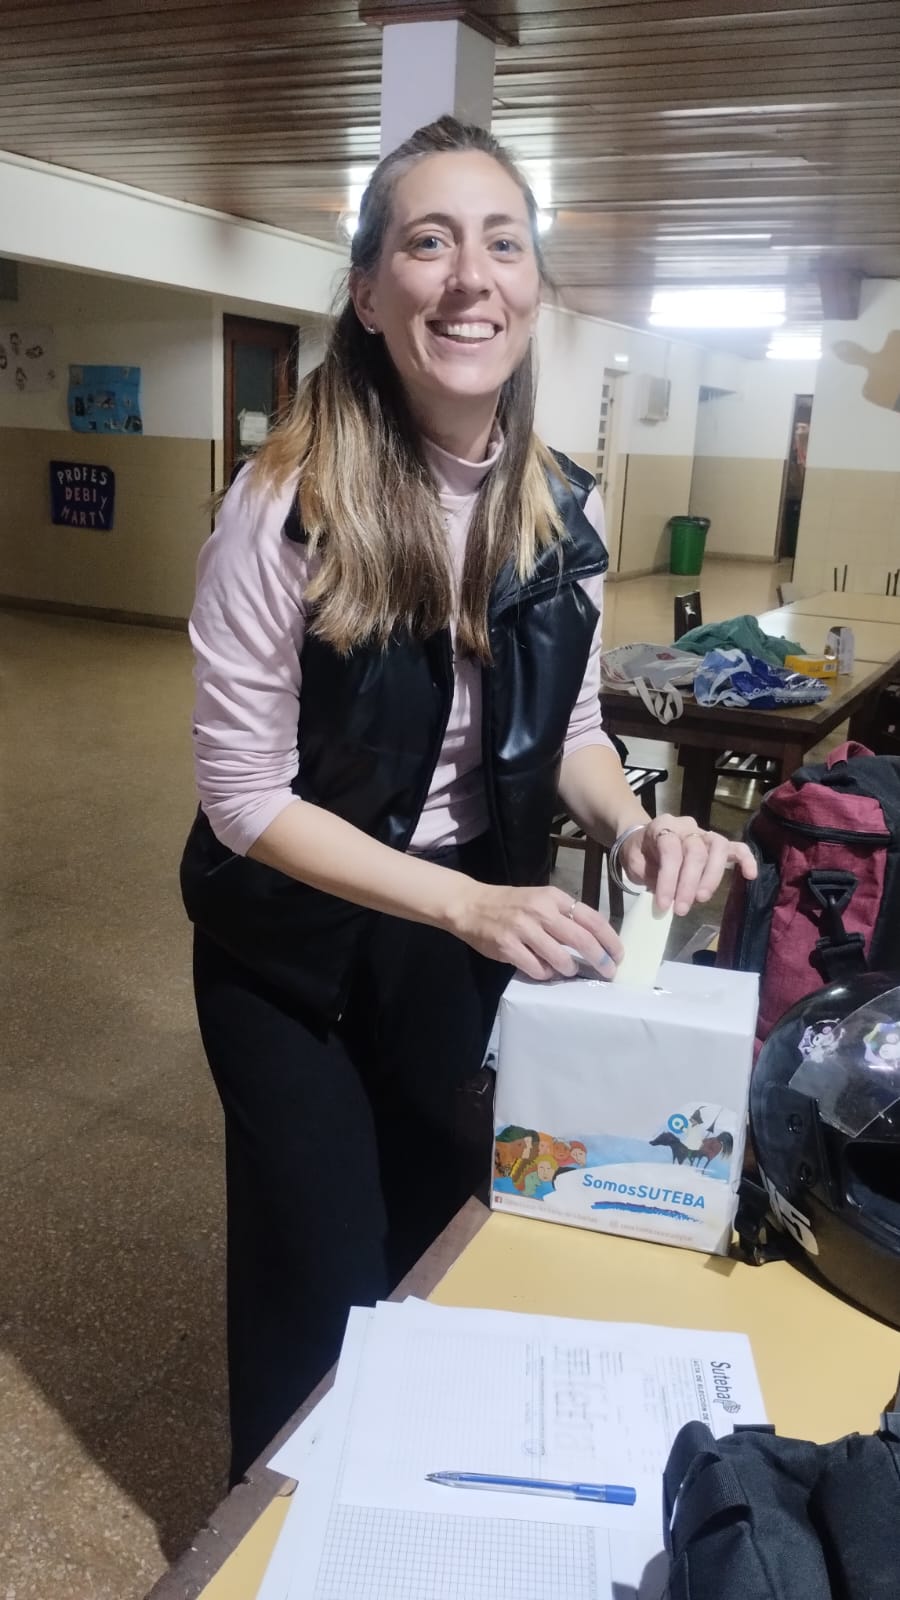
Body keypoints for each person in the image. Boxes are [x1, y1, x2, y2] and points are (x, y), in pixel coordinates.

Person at [180, 115, 755, 1482]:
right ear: (370, 294)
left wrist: (637, 827)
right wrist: (466, 902)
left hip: (456, 936)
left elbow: (569, 731)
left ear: (535, 289)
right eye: (426, 243)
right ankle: (284, 1530)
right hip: (292, 944)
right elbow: (243, 798)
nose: (469, 277)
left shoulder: (561, 507)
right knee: (318, 1275)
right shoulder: (283, 506)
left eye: (502, 243)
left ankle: (413, 1500)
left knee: (437, 1232)